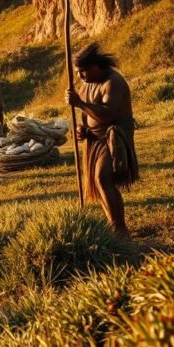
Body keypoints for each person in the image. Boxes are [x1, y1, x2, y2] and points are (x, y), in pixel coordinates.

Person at [65, 43, 138, 237]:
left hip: (113, 136)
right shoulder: (87, 83)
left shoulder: (113, 82)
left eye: (83, 71)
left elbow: (107, 114)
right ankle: (112, 225)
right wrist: (82, 129)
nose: (81, 76)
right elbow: (85, 114)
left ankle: (120, 230)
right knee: (98, 182)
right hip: (94, 138)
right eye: (78, 72)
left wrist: (79, 103)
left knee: (102, 178)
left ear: (96, 66)